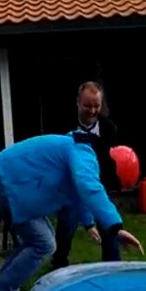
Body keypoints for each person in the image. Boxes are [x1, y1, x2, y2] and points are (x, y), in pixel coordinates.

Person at [0, 131, 144, 291]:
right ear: (114, 168)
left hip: (9, 185)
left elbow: (77, 196)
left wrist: (89, 223)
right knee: (44, 244)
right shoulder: (84, 153)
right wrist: (115, 227)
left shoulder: (80, 152)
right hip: (5, 185)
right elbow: (88, 187)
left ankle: (1, 288)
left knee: (39, 241)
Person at [51, 81, 122, 270]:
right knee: (66, 228)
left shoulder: (109, 129)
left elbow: (113, 162)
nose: (92, 110)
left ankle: (113, 270)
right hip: (70, 186)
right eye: (87, 105)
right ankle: (58, 267)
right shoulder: (63, 126)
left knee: (109, 227)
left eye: (96, 106)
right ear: (77, 102)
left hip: (99, 185)